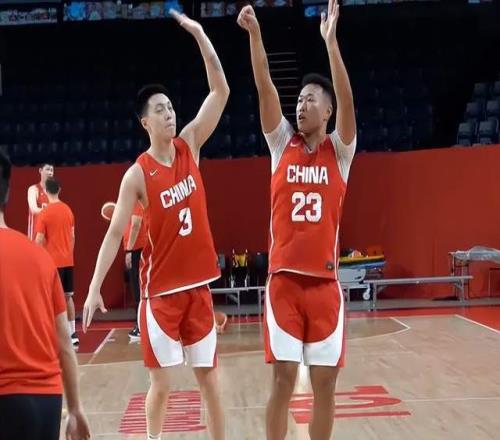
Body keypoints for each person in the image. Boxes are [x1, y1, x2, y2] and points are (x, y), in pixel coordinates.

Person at [83, 10, 229, 440]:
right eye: (160, 110)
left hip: (198, 289)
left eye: (171, 107)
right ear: (145, 122)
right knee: (162, 385)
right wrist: (93, 287)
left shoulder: (190, 145)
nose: (169, 114)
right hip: (161, 294)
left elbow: (220, 90)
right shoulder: (137, 175)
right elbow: (115, 233)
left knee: (210, 381)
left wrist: (200, 35)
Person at [237, 1, 356, 439]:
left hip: (325, 286)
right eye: (300, 99)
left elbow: (347, 98)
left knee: (325, 386)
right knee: (283, 379)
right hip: (284, 282)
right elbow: (264, 83)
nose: (301, 105)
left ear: (327, 112)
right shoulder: (280, 143)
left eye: (311, 100)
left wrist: (331, 43)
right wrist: (255, 35)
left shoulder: (340, 152)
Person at [0, 150, 90, 440]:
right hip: (47, 402)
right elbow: (64, 344)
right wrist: (75, 409)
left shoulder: (45, 222)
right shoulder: (40, 259)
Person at [35, 177, 78, 346]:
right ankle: (73, 333)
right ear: (59, 190)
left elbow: (39, 239)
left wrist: (35, 259)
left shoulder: (44, 213)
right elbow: (73, 236)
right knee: (68, 297)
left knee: (50, 299)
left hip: (52, 263)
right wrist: (68, 254)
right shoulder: (68, 210)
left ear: (46, 191)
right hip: (68, 261)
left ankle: (53, 335)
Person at [101, 200, 147, 340]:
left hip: (138, 250)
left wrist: (129, 250)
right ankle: (142, 325)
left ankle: (142, 327)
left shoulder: (136, 203)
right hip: (136, 250)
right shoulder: (130, 205)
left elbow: (136, 225)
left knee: (139, 290)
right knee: (138, 289)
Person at [27, 162, 54, 240]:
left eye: (52, 170)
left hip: (48, 234)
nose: (50, 172)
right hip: (35, 233)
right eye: (48, 169)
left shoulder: (53, 192)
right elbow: (34, 209)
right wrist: (50, 209)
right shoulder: (33, 189)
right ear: (40, 171)